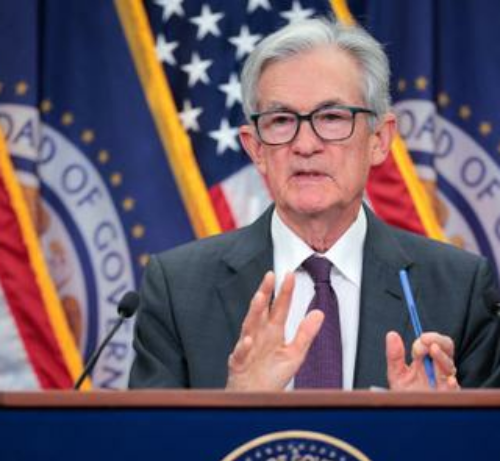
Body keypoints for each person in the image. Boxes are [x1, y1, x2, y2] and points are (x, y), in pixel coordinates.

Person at [129, 17, 499, 390]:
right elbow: (149, 431)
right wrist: (237, 405)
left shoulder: (459, 289)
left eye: (332, 117)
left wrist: (436, 419)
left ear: (379, 140)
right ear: (255, 148)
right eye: (281, 120)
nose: (305, 145)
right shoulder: (178, 289)